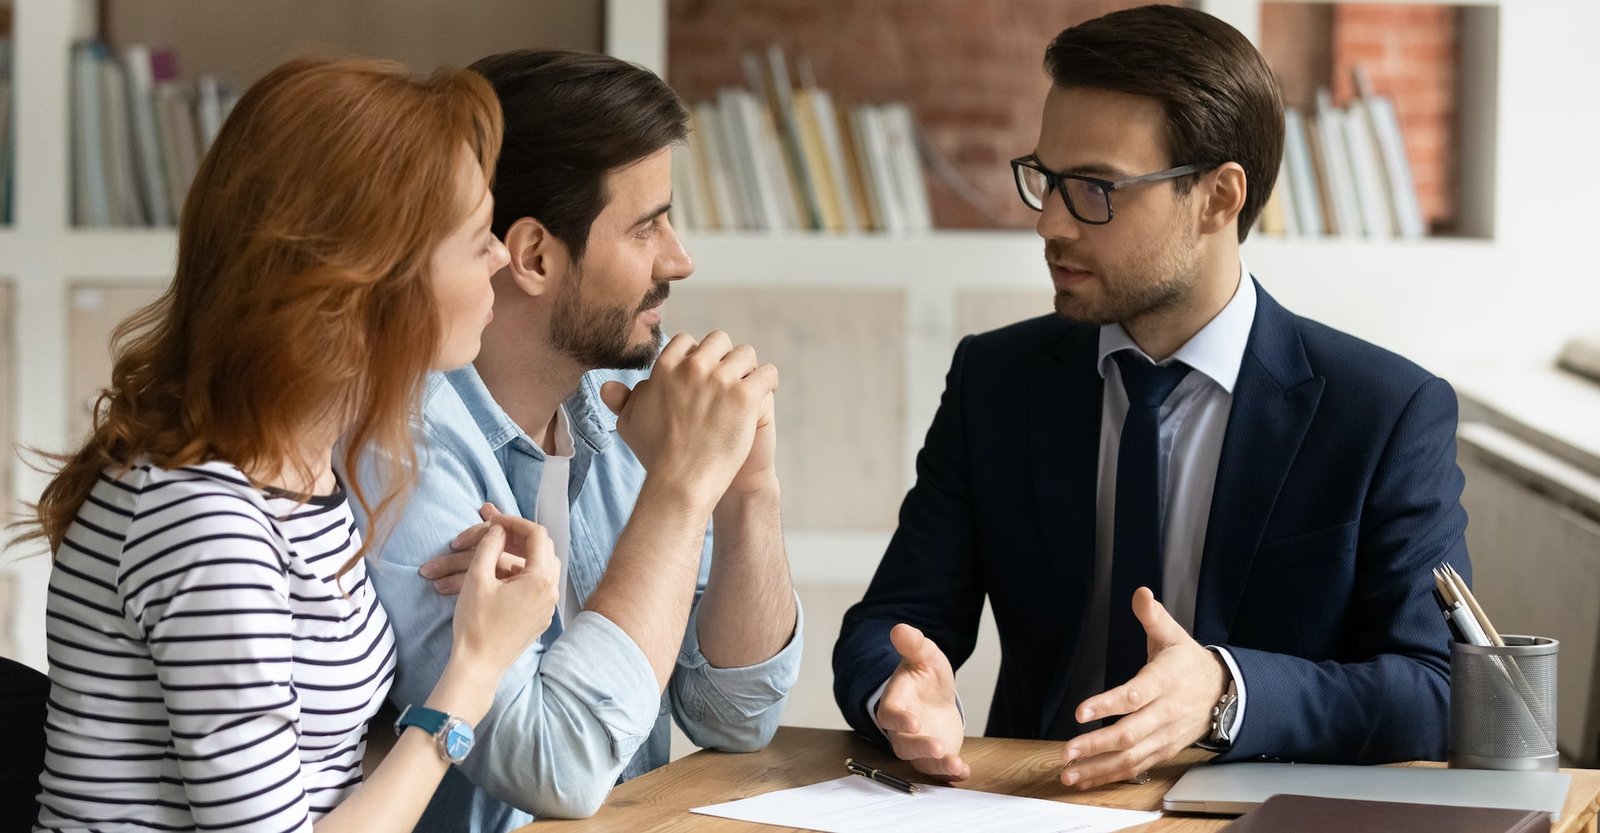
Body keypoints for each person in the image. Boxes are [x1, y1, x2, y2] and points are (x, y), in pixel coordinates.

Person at [833, 4, 1469, 790]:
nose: (1051, 225)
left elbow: (1437, 690)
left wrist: (1228, 692)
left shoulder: (1383, 412)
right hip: (1031, 801)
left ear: (1218, 199)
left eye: (1096, 189)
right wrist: (895, 689)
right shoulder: (995, 381)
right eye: (1047, 180)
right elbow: (891, 620)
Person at [26, 57, 562, 832]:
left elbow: (319, 769)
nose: (502, 260)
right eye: (478, 236)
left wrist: (477, 624)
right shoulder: (205, 522)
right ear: (366, 282)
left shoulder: (301, 471)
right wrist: (476, 666)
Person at [357, 49, 801, 830]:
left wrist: (746, 491)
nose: (681, 259)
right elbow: (553, 767)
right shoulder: (403, 442)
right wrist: (681, 488)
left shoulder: (618, 401)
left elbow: (735, 716)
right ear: (532, 255)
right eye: (647, 226)